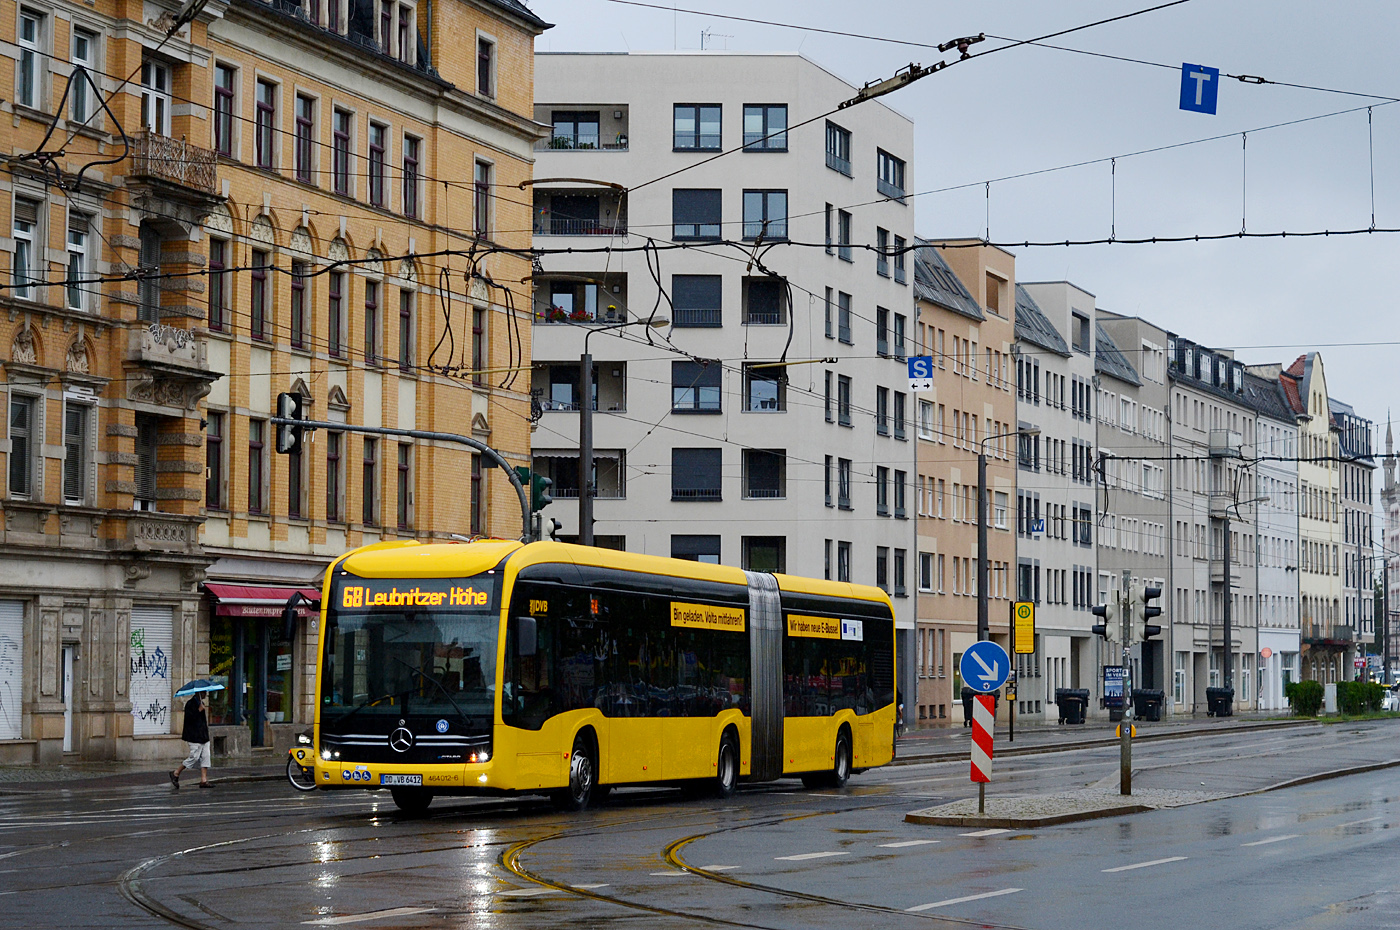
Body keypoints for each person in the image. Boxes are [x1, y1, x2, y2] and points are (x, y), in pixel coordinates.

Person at [171, 692, 212, 789]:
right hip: (194, 736)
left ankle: (203, 780)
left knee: (206, 756)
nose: (206, 694)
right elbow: (190, 719)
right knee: (194, 756)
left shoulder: (201, 703)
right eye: (204, 692)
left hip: (203, 736)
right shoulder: (190, 704)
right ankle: (176, 773)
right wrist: (199, 710)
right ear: (199, 693)